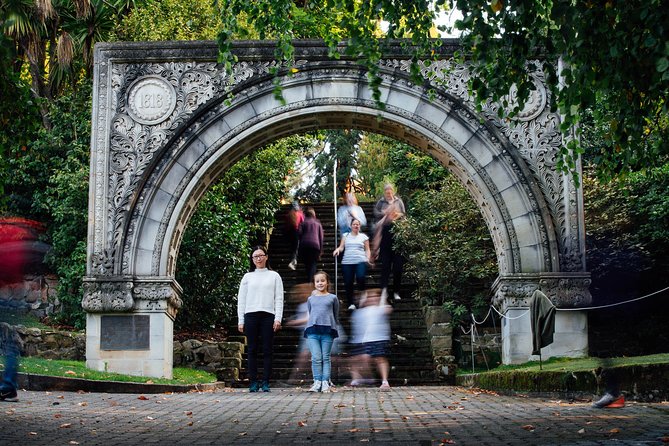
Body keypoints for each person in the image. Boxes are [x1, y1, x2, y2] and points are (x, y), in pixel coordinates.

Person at [237, 246, 284, 392]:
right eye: (255, 256)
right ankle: (253, 382)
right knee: (252, 349)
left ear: (266, 257)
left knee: (267, 350)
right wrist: (241, 320)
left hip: (268, 315)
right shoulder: (247, 277)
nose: (258, 258)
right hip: (250, 315)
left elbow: (279, 298)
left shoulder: (274, 276)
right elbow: (241, 299)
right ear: (252, 259)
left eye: (261, 255)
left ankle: (265, 382)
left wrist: (278, 318)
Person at [304, 271, 340, 393]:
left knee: (325, 357)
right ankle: (317, 381)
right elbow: (311, 313)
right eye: (317, 281)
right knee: (316, 357)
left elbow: (335, 314)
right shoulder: (310, 299)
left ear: (327, 282)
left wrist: (332, 327)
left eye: (322, 281)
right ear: (314, 284)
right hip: (313, 330)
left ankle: (325, 382)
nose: (320, 283)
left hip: (327, 330)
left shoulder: (333, 298)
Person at [333, 218, 372, 310]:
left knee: (360, 277)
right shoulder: (345, 235)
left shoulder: (364, 237)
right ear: (350, 226)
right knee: (348, 283)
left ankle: (363, 291)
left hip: (360, 261)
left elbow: (367, 249)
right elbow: (341, 247)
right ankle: (351, 303)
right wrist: (337, 250)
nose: (356, 226)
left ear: (360, 226)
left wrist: (368, 258)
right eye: (354, 224)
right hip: (347, 262)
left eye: (357, 224)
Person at [359, 288, 393, 390]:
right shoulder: (365, 311)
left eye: (375, 296)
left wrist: (383, 300)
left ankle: (385, 381)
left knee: (380, 359)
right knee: (365, 358)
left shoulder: (382, 308)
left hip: (380, 338)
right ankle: (369, 378)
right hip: (368, 339)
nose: (372, 299)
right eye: (370, 297)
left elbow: (388, 309)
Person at [373, 201, 405, 302]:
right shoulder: (383, 221)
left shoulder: (401, 219)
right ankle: (384, 291)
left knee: (398, 270)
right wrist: (375, 250)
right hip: (385, 249)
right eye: (389, 208)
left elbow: (406, 230)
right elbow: (378, 233)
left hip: (397, 249)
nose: (391, 210)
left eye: (393, 208)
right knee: (385, 269)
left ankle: (396, 292)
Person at [297, 207, 324, 283]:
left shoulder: (303, 223)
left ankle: (309, 278)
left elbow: (299, 234)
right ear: (313, 214)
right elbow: (321, 237)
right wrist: (321, 250)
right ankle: (311, 280)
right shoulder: (318, 223)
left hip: (304, 245)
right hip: (315, 246)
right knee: (313, 264)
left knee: (307, 263)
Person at [285, 202, 304, 270]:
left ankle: (294, 261)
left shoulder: (288, 215)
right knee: (295, 248)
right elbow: (303, 223)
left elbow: (286, 225)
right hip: (297, 233)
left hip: (290, 233)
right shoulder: (300, 214)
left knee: (293, 248)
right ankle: (293, 262)